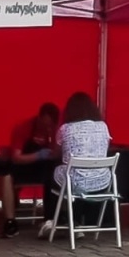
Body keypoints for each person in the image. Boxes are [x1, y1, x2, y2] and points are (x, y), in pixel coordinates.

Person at [40, 92, 113, 239]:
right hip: (101, 181)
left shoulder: (65, 129)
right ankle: (75, 220)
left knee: (53, 176)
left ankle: (52, 219)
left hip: (75, 181)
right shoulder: (103, 126)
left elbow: (56, 154)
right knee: (71, 177)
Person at [0, 103, 59, 238]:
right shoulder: (23, 128)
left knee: (58, 172)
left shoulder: (56, 130)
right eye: (45, 124)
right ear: (40, 117)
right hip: (23, 166)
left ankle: (52, 218)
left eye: (50, 125)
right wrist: (38, 155)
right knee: (6, 174)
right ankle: (10, 222)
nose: (48, 128)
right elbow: (16, 157)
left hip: (43, 168)